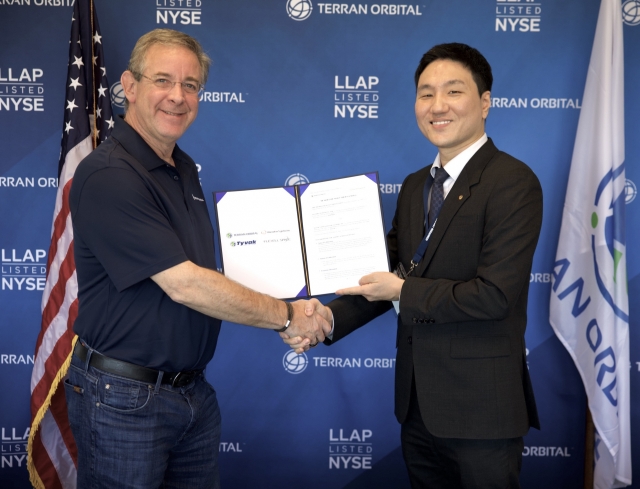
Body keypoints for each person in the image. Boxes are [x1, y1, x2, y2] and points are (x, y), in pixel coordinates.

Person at [66, 28, 328, 489]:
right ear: (129, 86)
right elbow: (184, 283)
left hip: (191, 394)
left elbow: (208, 274)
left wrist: (294, 301)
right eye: (163, 80)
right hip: (124, 400)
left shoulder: (181, 168)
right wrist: (288, 316)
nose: (177, 96)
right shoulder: (109, 174)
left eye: (191, 85)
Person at [286, 43, 543, 488]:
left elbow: (494, 295)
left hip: (483, 413)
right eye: (426, 94)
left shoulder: (512, 182)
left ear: (485, 102)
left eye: (453, 92)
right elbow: (382, 276)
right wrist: (327, 319)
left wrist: (402, 292)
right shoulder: (413, 188)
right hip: (417, 408)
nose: (437, 106)